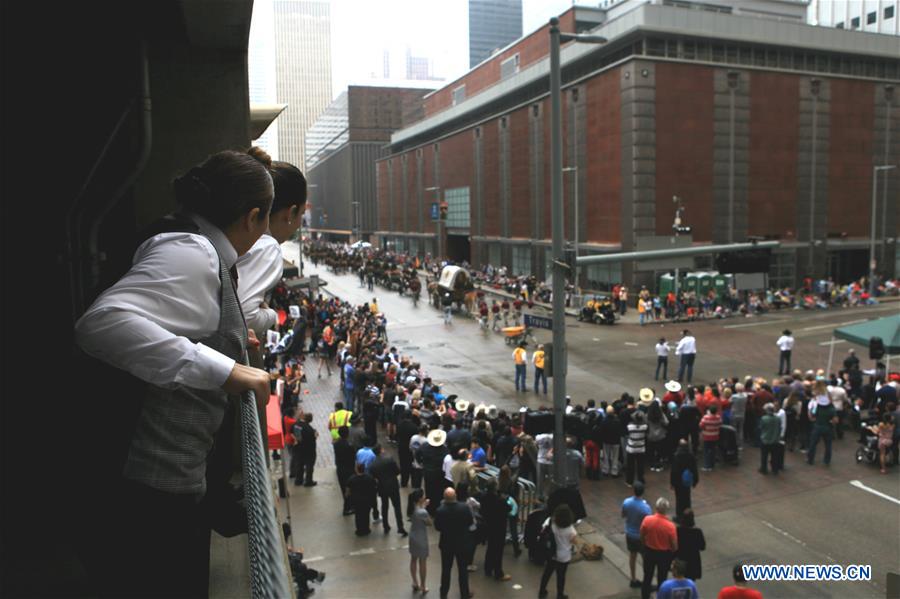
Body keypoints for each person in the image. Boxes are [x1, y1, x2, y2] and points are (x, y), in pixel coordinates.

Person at [74, 149, 276, 597]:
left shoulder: (193, 245)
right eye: (265, 223)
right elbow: (101, 324)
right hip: (147, 497)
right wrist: (227, 371)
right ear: (253, 216)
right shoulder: (192, 252)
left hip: (161, 486)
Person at [434, 487, 474, 599]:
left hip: (447, 544)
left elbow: (437, 527)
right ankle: (464, 593)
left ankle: (444, 593)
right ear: (455, 496)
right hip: (462, 543)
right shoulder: (464, 508)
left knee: (446, 570)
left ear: (444, 498)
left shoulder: (440, 510)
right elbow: (470, 522)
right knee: (462, 570)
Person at [639, 497, 678, 599]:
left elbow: (642, 536)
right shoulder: (670, 526)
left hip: (649, 551)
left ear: (656, 507)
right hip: (664, 555)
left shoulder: (647, 520)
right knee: (662, 578)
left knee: (647, 576)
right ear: (666, 510)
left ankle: (645, 595)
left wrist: (644, 547)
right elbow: (674, 546)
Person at [538, 504, 578, 599]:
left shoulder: (552, 524)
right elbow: (574, 541)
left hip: (552, 553)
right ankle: (560, 594)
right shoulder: (571, 530)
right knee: (561, 576)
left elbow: (543, 528)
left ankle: (542, 591)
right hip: (564, 556)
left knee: (547, 573)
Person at [370, 445, 408, 536]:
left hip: (382, 487)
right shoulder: (389, 459)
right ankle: (400, 527)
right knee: (397, 506)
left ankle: (386, 525)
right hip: (393, 485)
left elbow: (374, 477)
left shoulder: (373, 465)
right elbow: (398, 471)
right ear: (381, 450)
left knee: (384, 506)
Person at [479, 479, 512, 581]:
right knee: (498, 550)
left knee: (490, 547)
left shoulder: (483, 497)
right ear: (495, 487)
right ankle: (498, 573)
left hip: (488, 525)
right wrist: (505, 500)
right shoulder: (500, 500)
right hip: (499, 527)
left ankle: (488, 569)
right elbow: (508, 509)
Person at [621, 482, 652, 589]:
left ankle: (633, 579)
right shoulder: (646, 508)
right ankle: (646, 580)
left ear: (633, 491)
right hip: (641, 536)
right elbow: (648, 523)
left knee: (632, 556)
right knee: (645, 559)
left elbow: (623, 515)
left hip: (630, 533)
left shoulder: (626, 502)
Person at [807, 382, 838, 466]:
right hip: (828, 427)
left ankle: (810, 459)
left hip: (817, 426)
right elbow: (835, 420)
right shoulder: (831, 409)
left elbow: (810, 416)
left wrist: (813, 419)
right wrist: (831, 421)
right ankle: (826, 460)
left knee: (813, 444)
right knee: (828, 445)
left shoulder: (817, 407)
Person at [408, 489, 432, 594]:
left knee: (413, 559)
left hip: (413, 535)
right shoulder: (422, 512)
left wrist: (423, 506)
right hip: (421, 538)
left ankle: (415, 582)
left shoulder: (411, 508)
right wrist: (425, 508)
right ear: (420, 498)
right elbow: (429, 523)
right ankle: (423, 585)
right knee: (422, 562)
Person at [669, 439, 698, 520]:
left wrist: (672, 483)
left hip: (678, 482)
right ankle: (688, 515)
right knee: (687, 498)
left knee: (679, 499)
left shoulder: (676, 456)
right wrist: (695, 480)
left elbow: (673, 471)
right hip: (687, 481)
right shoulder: (690, 455)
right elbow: (694, 469)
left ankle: (679, 516)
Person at [675, 510, 705, 583]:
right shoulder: (697, 531)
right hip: (693, 560)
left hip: (681, 558)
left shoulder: (678, 530)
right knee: (691, 581)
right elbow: (702, 547)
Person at [347, 463, 377, 536]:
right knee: (366, 515)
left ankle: (359, 530)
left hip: (356, 501)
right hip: (367, 500)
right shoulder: (369, 478)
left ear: (356, 469)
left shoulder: (351, 479)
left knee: (358, 516)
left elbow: (348, 491)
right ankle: (366, 529)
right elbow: (374, 488)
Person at [333, 426, 356, 516]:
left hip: (340, 469)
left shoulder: (336, 444)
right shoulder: (349, 446)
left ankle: (349, 506)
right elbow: (353, 457)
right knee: (349, 488)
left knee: (344, 488)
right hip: (348, 469)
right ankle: (347, 507)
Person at [294, 413, 318, 487]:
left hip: (298, 448)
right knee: (309, 466)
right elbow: (312, 439)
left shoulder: (297, 424)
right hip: (308, 450)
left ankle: (298, 480)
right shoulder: (309, 429)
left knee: (299, 464)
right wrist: (315, 435)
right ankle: (308, 481)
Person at [626, 411, 648, 487]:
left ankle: (629, 481)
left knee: (630, 466)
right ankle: (641, 480)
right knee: (640, 466)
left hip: (631, 449)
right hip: (641, 448)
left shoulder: (630, 427)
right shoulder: (645, 426)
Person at [758, 403, 781, 475]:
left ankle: (763, 469)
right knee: (775, 456)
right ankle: (775, 469)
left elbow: (761, 428)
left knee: (764, 455)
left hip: (765, 439)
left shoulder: (764, 418)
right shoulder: (778, 418)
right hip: (775, 440)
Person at [699, 405, 722, 471]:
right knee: (713, 450)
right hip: (715, 436)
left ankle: (707, 466)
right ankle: (712, 464)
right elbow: (720, 424)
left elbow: (701, 425)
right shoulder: (718, 417)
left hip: (707, 436)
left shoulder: (706, 417)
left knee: (706, 451)